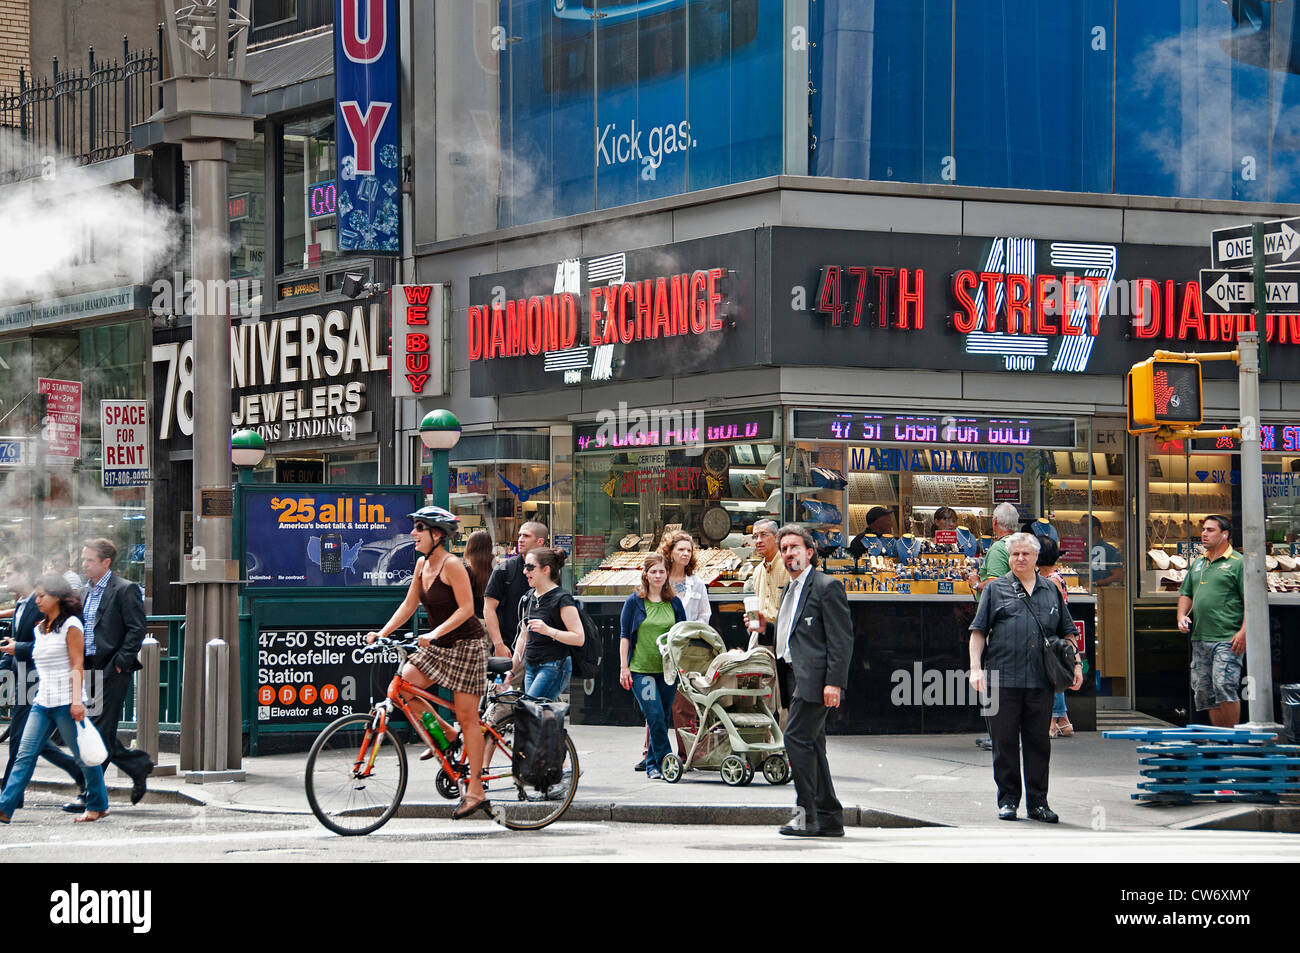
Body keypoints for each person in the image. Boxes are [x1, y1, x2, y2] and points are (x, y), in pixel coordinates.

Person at [366, 507, 491, 820]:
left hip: (466, 645)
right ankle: (447, 734)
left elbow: (466, 610)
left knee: (468, 718)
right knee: (404, 687)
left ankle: (476, 790)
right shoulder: (422, 564)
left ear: (437, 535)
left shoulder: (453, 566)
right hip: (438, 645)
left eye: (419, 528)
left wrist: (434, 632)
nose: (412, 534)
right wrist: (381, 633)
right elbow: (409, 605)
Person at [968, 533, 1083, 823]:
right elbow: (978, 632)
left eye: (1025, 554)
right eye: (1015, 554)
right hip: (1001, 678)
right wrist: (976, 668)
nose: (1020, 558)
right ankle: (1008, 800)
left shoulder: (1051, 590)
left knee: (1038, 744)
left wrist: (1077, 666)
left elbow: (1068, 632)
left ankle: (1038, 803)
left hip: (1040, 681)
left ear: (1036, 558)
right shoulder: (996, 590)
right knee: (1004, 743)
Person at [748, 525, 852, 838]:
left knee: (794, 738)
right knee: (813, 744)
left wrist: (834, 682)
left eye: (794, 547)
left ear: (810, 552)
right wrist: (765, 626)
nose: (788, 553)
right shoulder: (791, 589)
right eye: (784, 549)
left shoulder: (825, 586)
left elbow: (841, 639)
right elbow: (794, 633)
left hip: (816, 680)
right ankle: (830, 816)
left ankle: (806, 815)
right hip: (793, 674)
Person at [0, 574, 110, 823]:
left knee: (84, 757)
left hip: (66, 702)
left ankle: (98, 804)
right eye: (36, 596)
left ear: (57, 597)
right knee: (24, 755)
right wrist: (15, 648)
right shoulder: (40, 629)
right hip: (42, 701)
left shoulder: (72, 625)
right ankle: (5, 807)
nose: (37, 600)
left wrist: (77, 701)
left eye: (42, 596)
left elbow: (77, 663)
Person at [68, 538, 153, 814]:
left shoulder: (124, 589)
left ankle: (91, 794)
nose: (84, 565)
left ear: (106, 562)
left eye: (89, 560)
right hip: (88, 668)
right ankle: (137, 765)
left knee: (99, 731)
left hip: (112, 669)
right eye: (83, 560)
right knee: (94, 730)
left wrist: (120, 663)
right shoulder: (83, 592)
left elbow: (136, 628)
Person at [1, 555, 85, 801]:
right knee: (31, 740)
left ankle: (10, 798)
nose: (5, 578)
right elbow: (14, 646)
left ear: (25, 575)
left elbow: (44, 646)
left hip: (40, 681)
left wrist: (18, 649)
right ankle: (78, 771)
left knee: (20, 740)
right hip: (22, 678)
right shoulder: (21, 605)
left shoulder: (39, 608)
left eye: (9, 573)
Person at [618, 552, 686, 781]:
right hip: (641, 670)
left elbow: (682, 634)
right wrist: (623, 668)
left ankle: (652, 764)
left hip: (668, 671)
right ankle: (668, 761)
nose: (658, 576)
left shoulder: (674, 603)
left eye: (662, 571)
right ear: (645, 575)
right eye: (653, 571)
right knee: (655, 715)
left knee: (663, 716)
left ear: (667, 574)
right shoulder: (634, 602)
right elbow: (625, 635)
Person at [1177, 515, 1245, 727]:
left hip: (1227, 636)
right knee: (1205, 691)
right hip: (1200, 636)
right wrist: (1181, 616)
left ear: (1225, 534)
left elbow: (1252, 601)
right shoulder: (1199, 563)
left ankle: (1232, 738)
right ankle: (1219, 739)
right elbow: (1186, 592)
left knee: (1224, 685)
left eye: (1210, 530)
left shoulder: (1238, 563)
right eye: (1203, 530)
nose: (1204, 534)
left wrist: (1243, 631)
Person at [967, 503, 1019, 751]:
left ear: (996, 523)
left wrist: (976, 583)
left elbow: (995, 584)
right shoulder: (1021, 546)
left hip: (999, 621)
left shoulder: (1000, 548)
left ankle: (1000, 734)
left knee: (995, 678)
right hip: (1014, 621)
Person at [512, 547, 585, 701]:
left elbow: (579, 638)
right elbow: (523, 636)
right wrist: (512, 669)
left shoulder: (562, 599)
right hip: (531, 664)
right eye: (525, 566)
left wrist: (548, 630)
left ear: (546, 570)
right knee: (536, 716)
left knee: (529, 710)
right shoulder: (529, 597)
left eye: (530, 567)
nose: (525, 571)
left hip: (554, 664)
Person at [483, 521, 549, 660]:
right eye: (519, 535)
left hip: (542, 651)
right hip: (509, 647)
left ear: (540, 541)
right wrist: (498, 644)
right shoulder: (504, 568)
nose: (520, 539)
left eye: (526, 536)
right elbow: (489, 608)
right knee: (507, 682)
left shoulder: (549, 570)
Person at [1036, 537, 1075, 739]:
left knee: (1053, 678)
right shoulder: (1055, 576)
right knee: (1054, 676)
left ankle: (1051, 723)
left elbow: (1052, 610)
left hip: (1053, 634)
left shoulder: (1050, 580)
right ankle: (1064, 722)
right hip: (1056, 633)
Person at [662, 531, 711, 625]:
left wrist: (690, 630)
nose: (686, 553)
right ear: (670, 552)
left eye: (689, 550)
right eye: (681, 549)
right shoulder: (660, 581)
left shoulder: (697, 583)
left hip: (690, 636)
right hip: (663, 636)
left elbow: (705, 615)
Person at [463, 529, 495, 618]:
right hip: (493, 620)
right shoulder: (496, 569)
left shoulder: (467, 571)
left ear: (469, 547)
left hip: (473, 620)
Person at [1089, 515, 1125, 588]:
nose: (1079, 529)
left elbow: (1118, 576)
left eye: (1083, 526)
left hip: (1103, 594)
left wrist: (1096, 583)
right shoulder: (1080, 551)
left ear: (1095, 529)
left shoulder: (1111, 551)